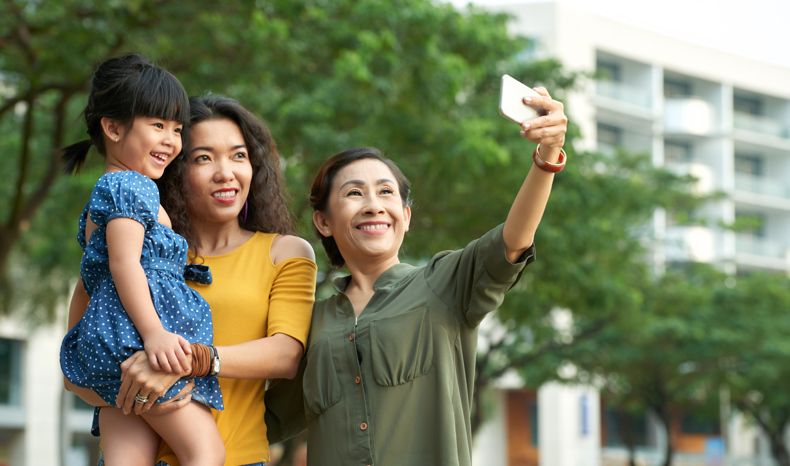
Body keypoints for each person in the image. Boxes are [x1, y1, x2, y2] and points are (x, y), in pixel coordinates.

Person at [264, 87, 568, 465]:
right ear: (323, 222)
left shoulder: (444, 284)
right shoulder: (309, 323)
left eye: (386, 192)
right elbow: (261, 421)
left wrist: (547, 156)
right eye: (354, 193)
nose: (374, 205)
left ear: (405, 217)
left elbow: (514, 239)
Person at [71, 95, 317, 466]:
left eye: (239, 155)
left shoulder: (285, 252)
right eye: (203, 158)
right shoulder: (137, 252)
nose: (225, 172)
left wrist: (191, 361)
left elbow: (286, 355)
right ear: (175, 167)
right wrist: (129, 381)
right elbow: (76, 369)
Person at [60, 54, 225, 466]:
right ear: (113, 128)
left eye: (176, 128)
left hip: (115, 343)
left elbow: (91, 280)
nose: (171, 140)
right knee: (205, 452)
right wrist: (153, 334)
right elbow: (124, 265)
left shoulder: (115, 189)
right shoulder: (130, 187)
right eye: (157, 125)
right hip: (136, 344)